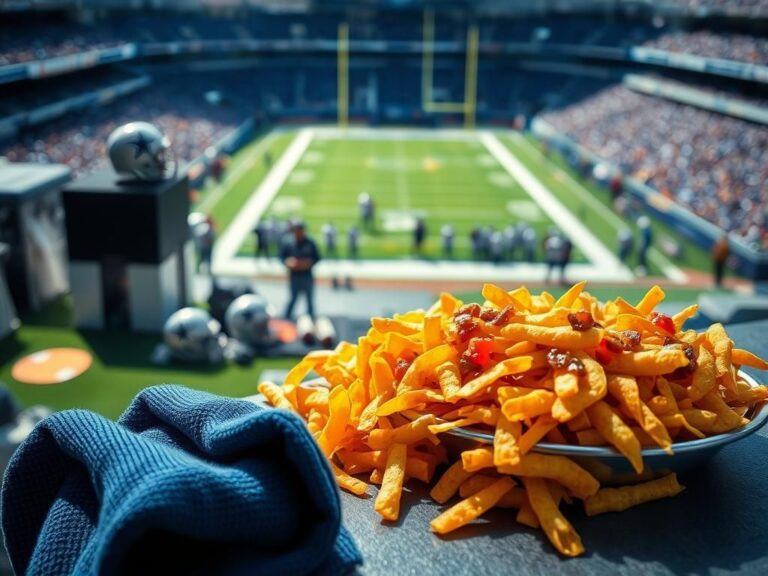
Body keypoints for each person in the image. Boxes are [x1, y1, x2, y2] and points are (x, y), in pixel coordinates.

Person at [280, 220, 320, 320]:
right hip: (294, 276)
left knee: (309, 300)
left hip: (307, 275)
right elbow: (281, 257)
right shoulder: (288, 242)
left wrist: (307, 263)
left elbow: (317, 258)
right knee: (293, 299)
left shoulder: (310, 243)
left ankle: (311, 320)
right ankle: (286, 319)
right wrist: (288, 262)